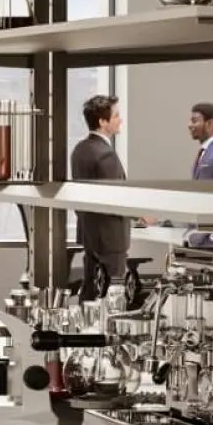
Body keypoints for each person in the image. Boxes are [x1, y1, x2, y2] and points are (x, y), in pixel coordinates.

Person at [71, 92, 132, 292]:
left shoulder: (80, 150)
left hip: (90, 234)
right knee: (113, 295)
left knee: (90, 291)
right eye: (115, 116)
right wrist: (141, 214)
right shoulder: (105, 154)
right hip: (110, 237)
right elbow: (116, 197)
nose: (120, 120)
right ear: (102, 121)